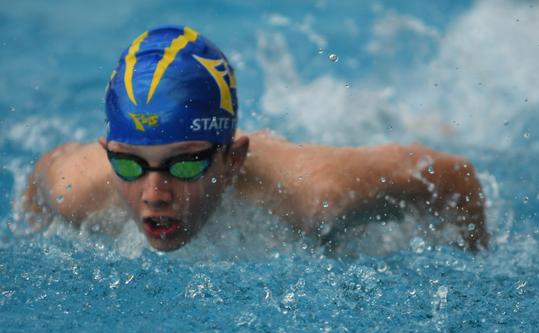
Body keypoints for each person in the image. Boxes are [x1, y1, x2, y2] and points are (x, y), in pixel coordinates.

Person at [22, 25, 488, 253]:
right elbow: (39, 181)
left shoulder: (314, 194)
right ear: (109, 153)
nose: (154, 195)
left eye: (184, 164)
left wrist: (473, 269)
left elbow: (453, 176)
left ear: (234, 157)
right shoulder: (76, 187)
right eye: (129, 164)